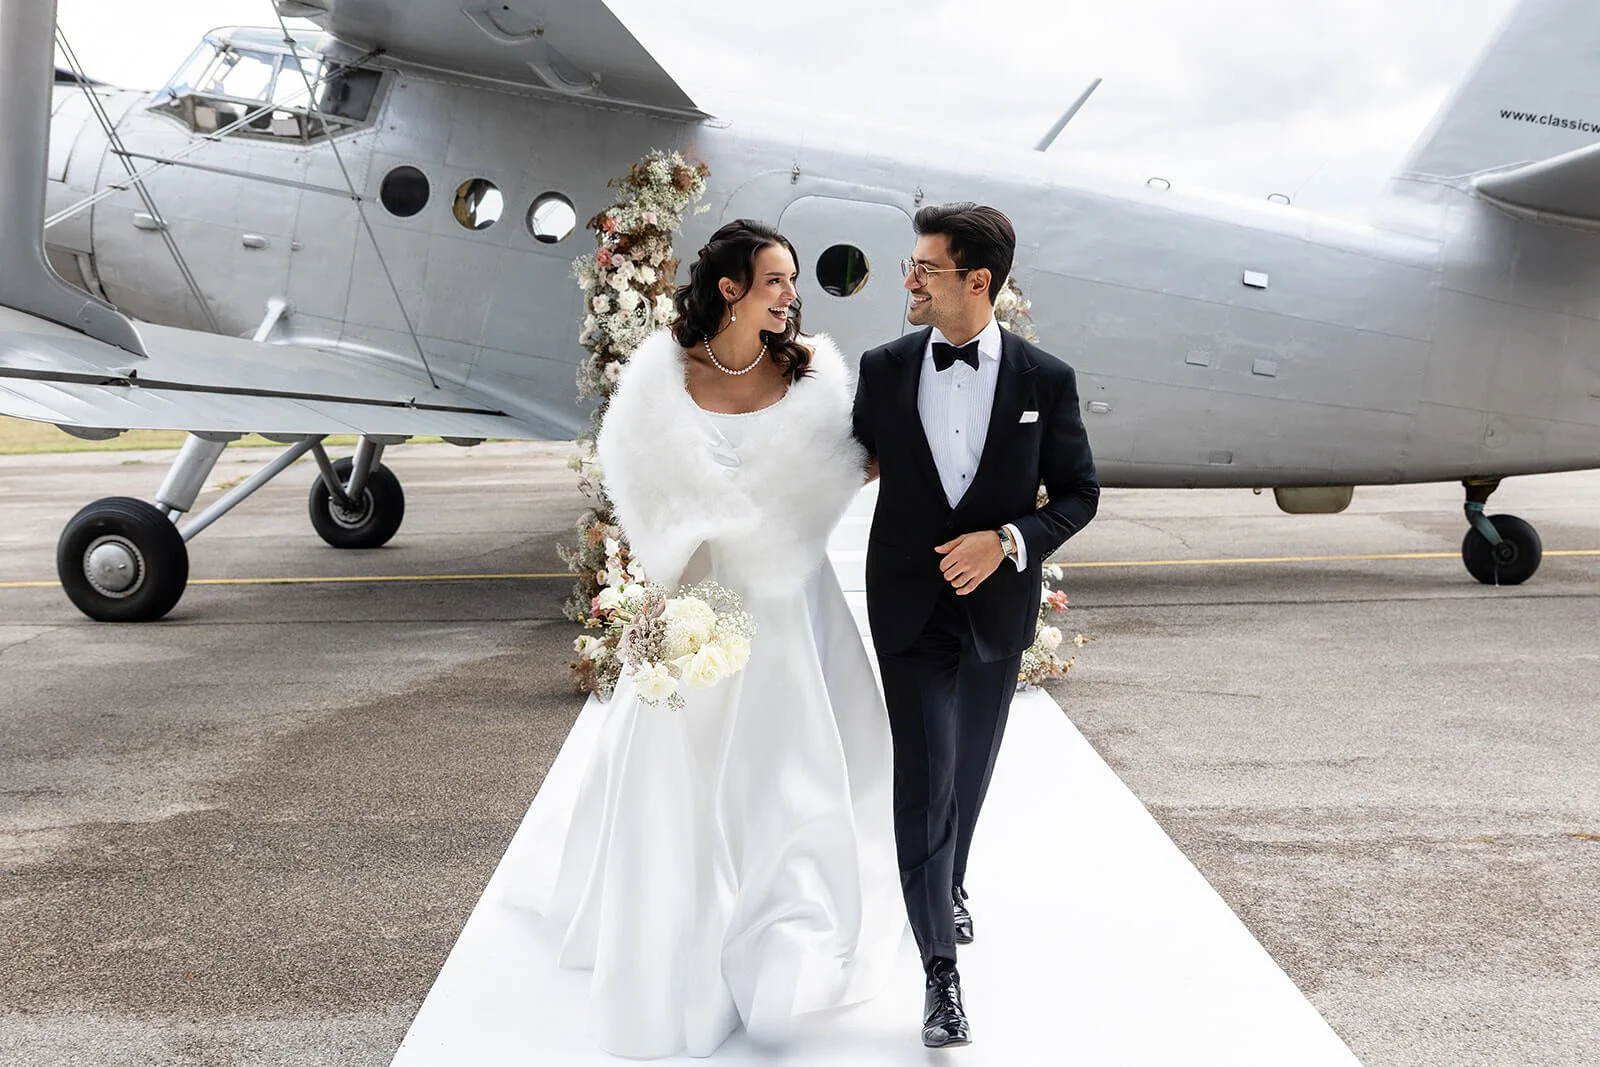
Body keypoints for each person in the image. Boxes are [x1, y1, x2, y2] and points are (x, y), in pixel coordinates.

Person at [506, 219, 902, 1059]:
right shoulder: (662, 378)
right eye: (776, 280)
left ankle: (790, 931)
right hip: (697, 598)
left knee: (792, 763)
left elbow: (848, 465)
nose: (793, 295)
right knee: (677, 767)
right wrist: (669, 581)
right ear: (729, 288)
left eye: (791, 281)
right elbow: (640, 479)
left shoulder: (814, 377)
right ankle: (678, 921)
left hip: (791, 595)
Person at [851, 202, 1100, 1048]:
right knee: (924, 781)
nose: (909, 279)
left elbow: (1078, 494)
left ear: (976, 282)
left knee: (972, 769)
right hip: (911, 611)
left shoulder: (1045, 380)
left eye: (925, 267)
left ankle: (948, 881)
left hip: (994, 614)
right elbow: (844, 458)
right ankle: (939, 975)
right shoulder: (882, 369)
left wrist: (1008, 542)